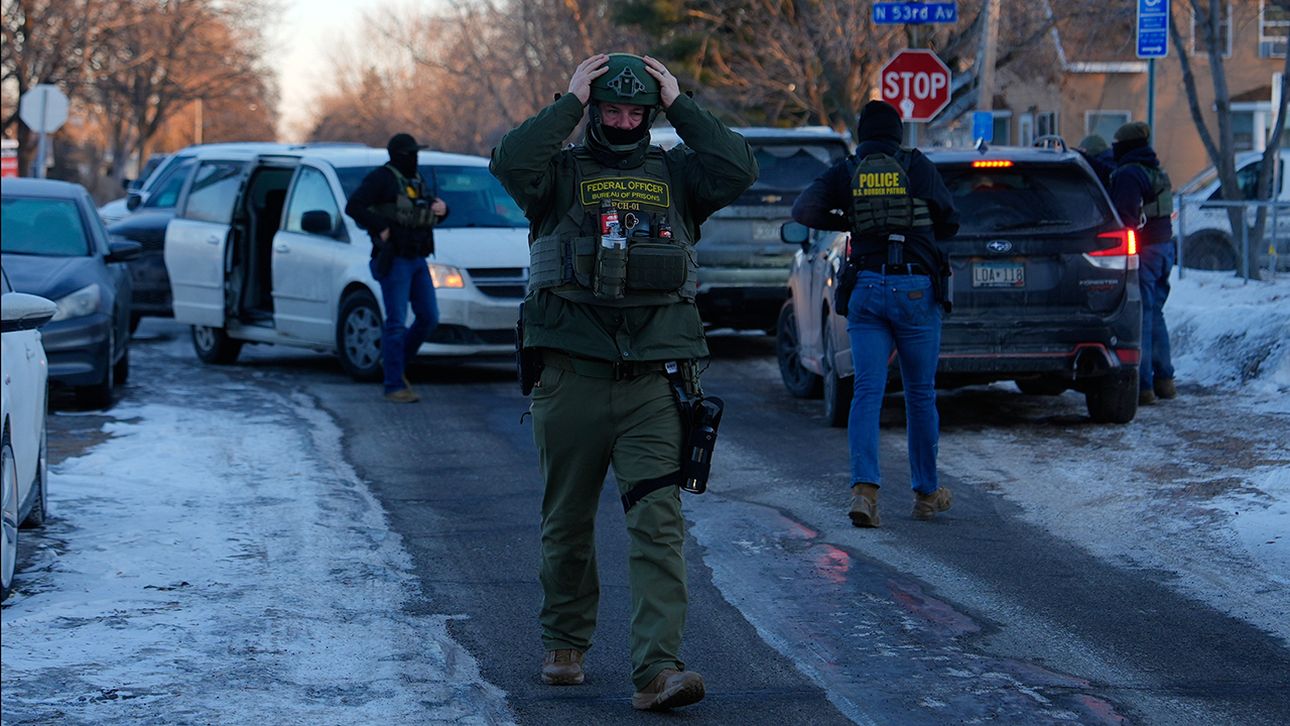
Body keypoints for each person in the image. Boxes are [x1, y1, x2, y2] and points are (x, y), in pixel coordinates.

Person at [490, 53, 756, 711]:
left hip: (654, 387)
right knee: (567, 523)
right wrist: (567, 104)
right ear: (594, 107)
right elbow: (508, 162)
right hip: (570, 377)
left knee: (659, 525)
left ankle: (658, 670)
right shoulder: (556, 175)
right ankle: (565, 643)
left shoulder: (679, 176)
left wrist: (683, 103)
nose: (623, 119)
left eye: (636, 109)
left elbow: (739, 168)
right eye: (611, 107)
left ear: (651, 112)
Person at [791, 100, 959, 528]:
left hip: (866, 288)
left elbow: (803, 211)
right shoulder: (917, 167)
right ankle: (925, 493)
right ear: (898, 133)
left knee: (867, 391)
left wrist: (847, 216)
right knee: (920, 393)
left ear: (863, 133)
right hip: (916, 291)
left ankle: (865, 493)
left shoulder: (847, 170)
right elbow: (951, 221)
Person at [345, 133, 448, 403]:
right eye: (410, 153)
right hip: (395, 259)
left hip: (418, 257)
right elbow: (353, 206)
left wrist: (443, 210)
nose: (415, 158)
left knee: (429, 317)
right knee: (395, 323)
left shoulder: (416, 178)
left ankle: (394, 364)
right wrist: (381, 227)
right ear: (399, 155)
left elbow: (426, 209)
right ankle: (393, 384)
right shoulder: (381, 178)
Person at [1108, 121, 1176, 404]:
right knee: (1155, 314)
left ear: (1125, 147)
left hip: (1144, 250)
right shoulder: (1155, 171)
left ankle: (1143, 387)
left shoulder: (1128, 175)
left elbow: (1125, 216)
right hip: (1164, 248)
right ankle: (1165, 380)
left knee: (1142, 317)